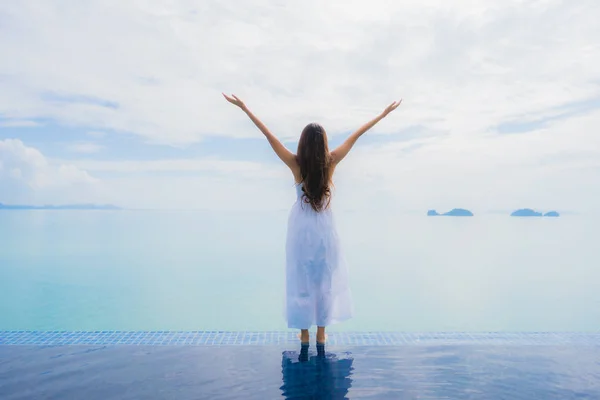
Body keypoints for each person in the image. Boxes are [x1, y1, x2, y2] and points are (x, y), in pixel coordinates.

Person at [223, 93, 402, 344]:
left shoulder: (295, 165)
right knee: (324, 277)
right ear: (324, 144)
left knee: (301, 278)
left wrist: (245, 108)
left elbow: (269, 136)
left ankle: (304, 334)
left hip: (301, 227)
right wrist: (383, 115)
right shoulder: (331, 162)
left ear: (303, 143)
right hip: (324, 226)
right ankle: (321, 333)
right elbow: (356, 136)